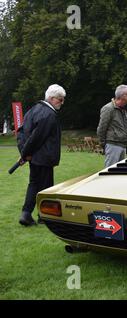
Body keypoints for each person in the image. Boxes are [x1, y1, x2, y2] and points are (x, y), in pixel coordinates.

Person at [17, 84, 66, 226]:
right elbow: (36, 137)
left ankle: (26, 214)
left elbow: (21, 133)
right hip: (44, 157)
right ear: (51, 98)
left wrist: (25, 154)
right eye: (60, 99)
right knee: (46, 188)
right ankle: (44, 217)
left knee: (34, 184)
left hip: (34, 157)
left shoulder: (33, 110)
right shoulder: (49, 114)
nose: (62, 103)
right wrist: (25, 154)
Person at [97, 84, 127, 168]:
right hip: (113, 145)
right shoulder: (108, 109)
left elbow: (125, 126)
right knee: (109, 172)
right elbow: (101, 128)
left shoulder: (122, 109)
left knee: (119, 173)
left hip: (122, 145)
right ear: (123, 96)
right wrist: (103, 144)